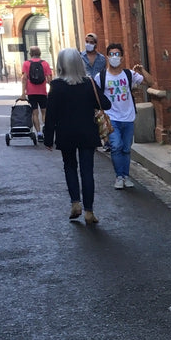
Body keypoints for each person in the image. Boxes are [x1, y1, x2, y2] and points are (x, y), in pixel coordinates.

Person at [43, 48, 110, 226]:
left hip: (66, 134)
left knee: (70, 167)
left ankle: (75, 203)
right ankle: (89, 211)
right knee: (87, 171)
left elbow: (50, 115)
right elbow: (105, 104)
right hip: (87, 132)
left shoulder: (56, 86)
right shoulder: (88, 83)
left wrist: (48, 139)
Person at [99, 43, 152, 189]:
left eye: (117, 54)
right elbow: (95, 96)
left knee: (126, 149)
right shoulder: (101, 76)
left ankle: (126, 176)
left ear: (122, 57)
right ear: (107, 57)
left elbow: (150, 82)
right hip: (111, 118)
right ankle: (119, 176)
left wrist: (141, 70)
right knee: (116, 146)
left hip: (128, 117)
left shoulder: (129, 74)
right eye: (112, 54)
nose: (114, 57)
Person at [21, 46, 53, 140]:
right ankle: (46, 129)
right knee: (44, 112)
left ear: (30, 54)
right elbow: (49, 79)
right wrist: (51, 90)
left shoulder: (26, 64)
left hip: (31, 92)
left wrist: (23, 93)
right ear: (40, 53)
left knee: (34, 113)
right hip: (42, 92)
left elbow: (24, 79)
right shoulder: (45, 64)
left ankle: (39, 133)